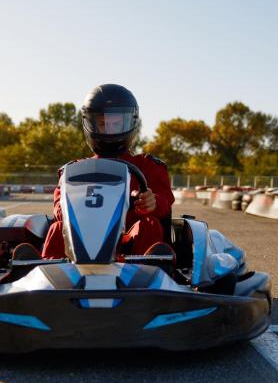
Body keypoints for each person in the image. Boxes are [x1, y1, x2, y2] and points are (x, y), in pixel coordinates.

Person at [36, 84, 175, 260]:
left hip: (128, 249)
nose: (110, 130)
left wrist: (152, 202)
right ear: (90, 123)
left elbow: (165, 201)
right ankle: (46, 277)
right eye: (102, 124)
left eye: (116, 124)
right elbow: (58, 207)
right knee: (58, 227)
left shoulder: (147, 166)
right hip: (81, 243)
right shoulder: (75, 171)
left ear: (130, 123)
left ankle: (149, 276)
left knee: (150, 225)